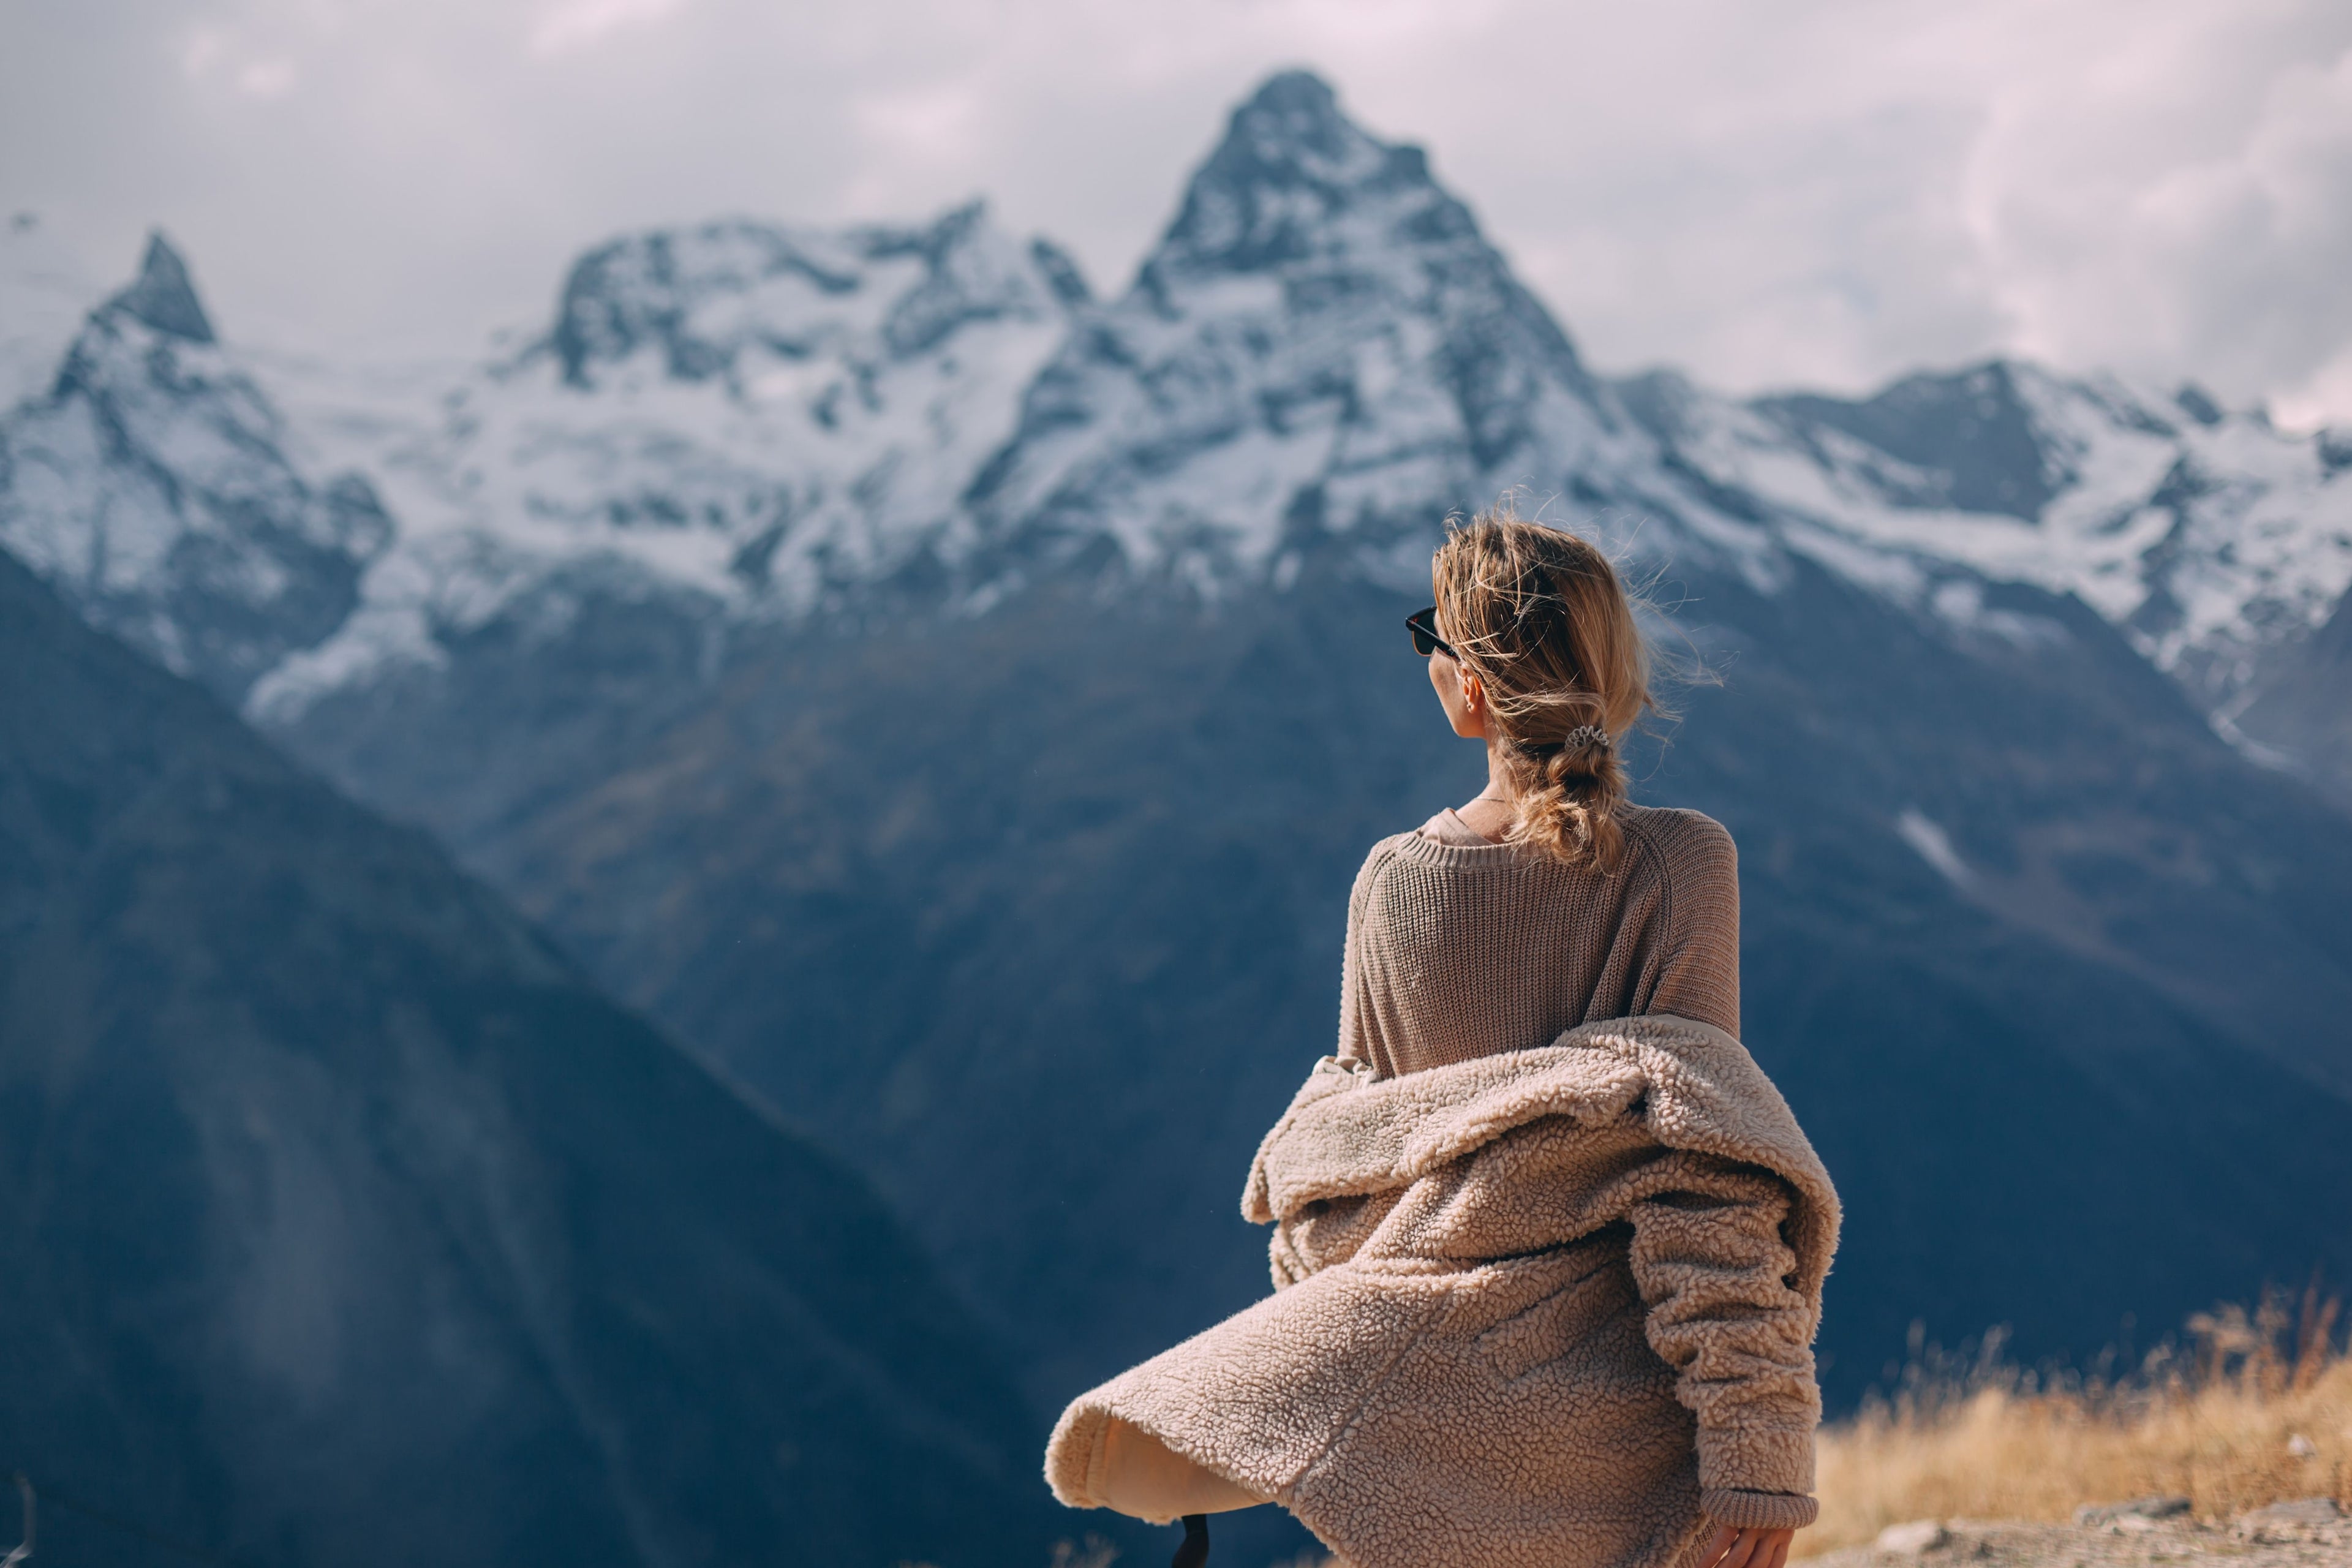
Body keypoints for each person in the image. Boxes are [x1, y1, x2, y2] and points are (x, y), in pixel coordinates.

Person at [1045, 505, 1840, 1568]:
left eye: (1434, 637)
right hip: (1616, 1429)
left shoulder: (1395, 883)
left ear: (1469, 692)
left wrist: (1345, 1382)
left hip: (1415, 1412)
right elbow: (1706, 1185)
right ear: (1617, 674)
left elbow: (1337, 1171)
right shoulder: (1682, 868)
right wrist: (1757, 1453)